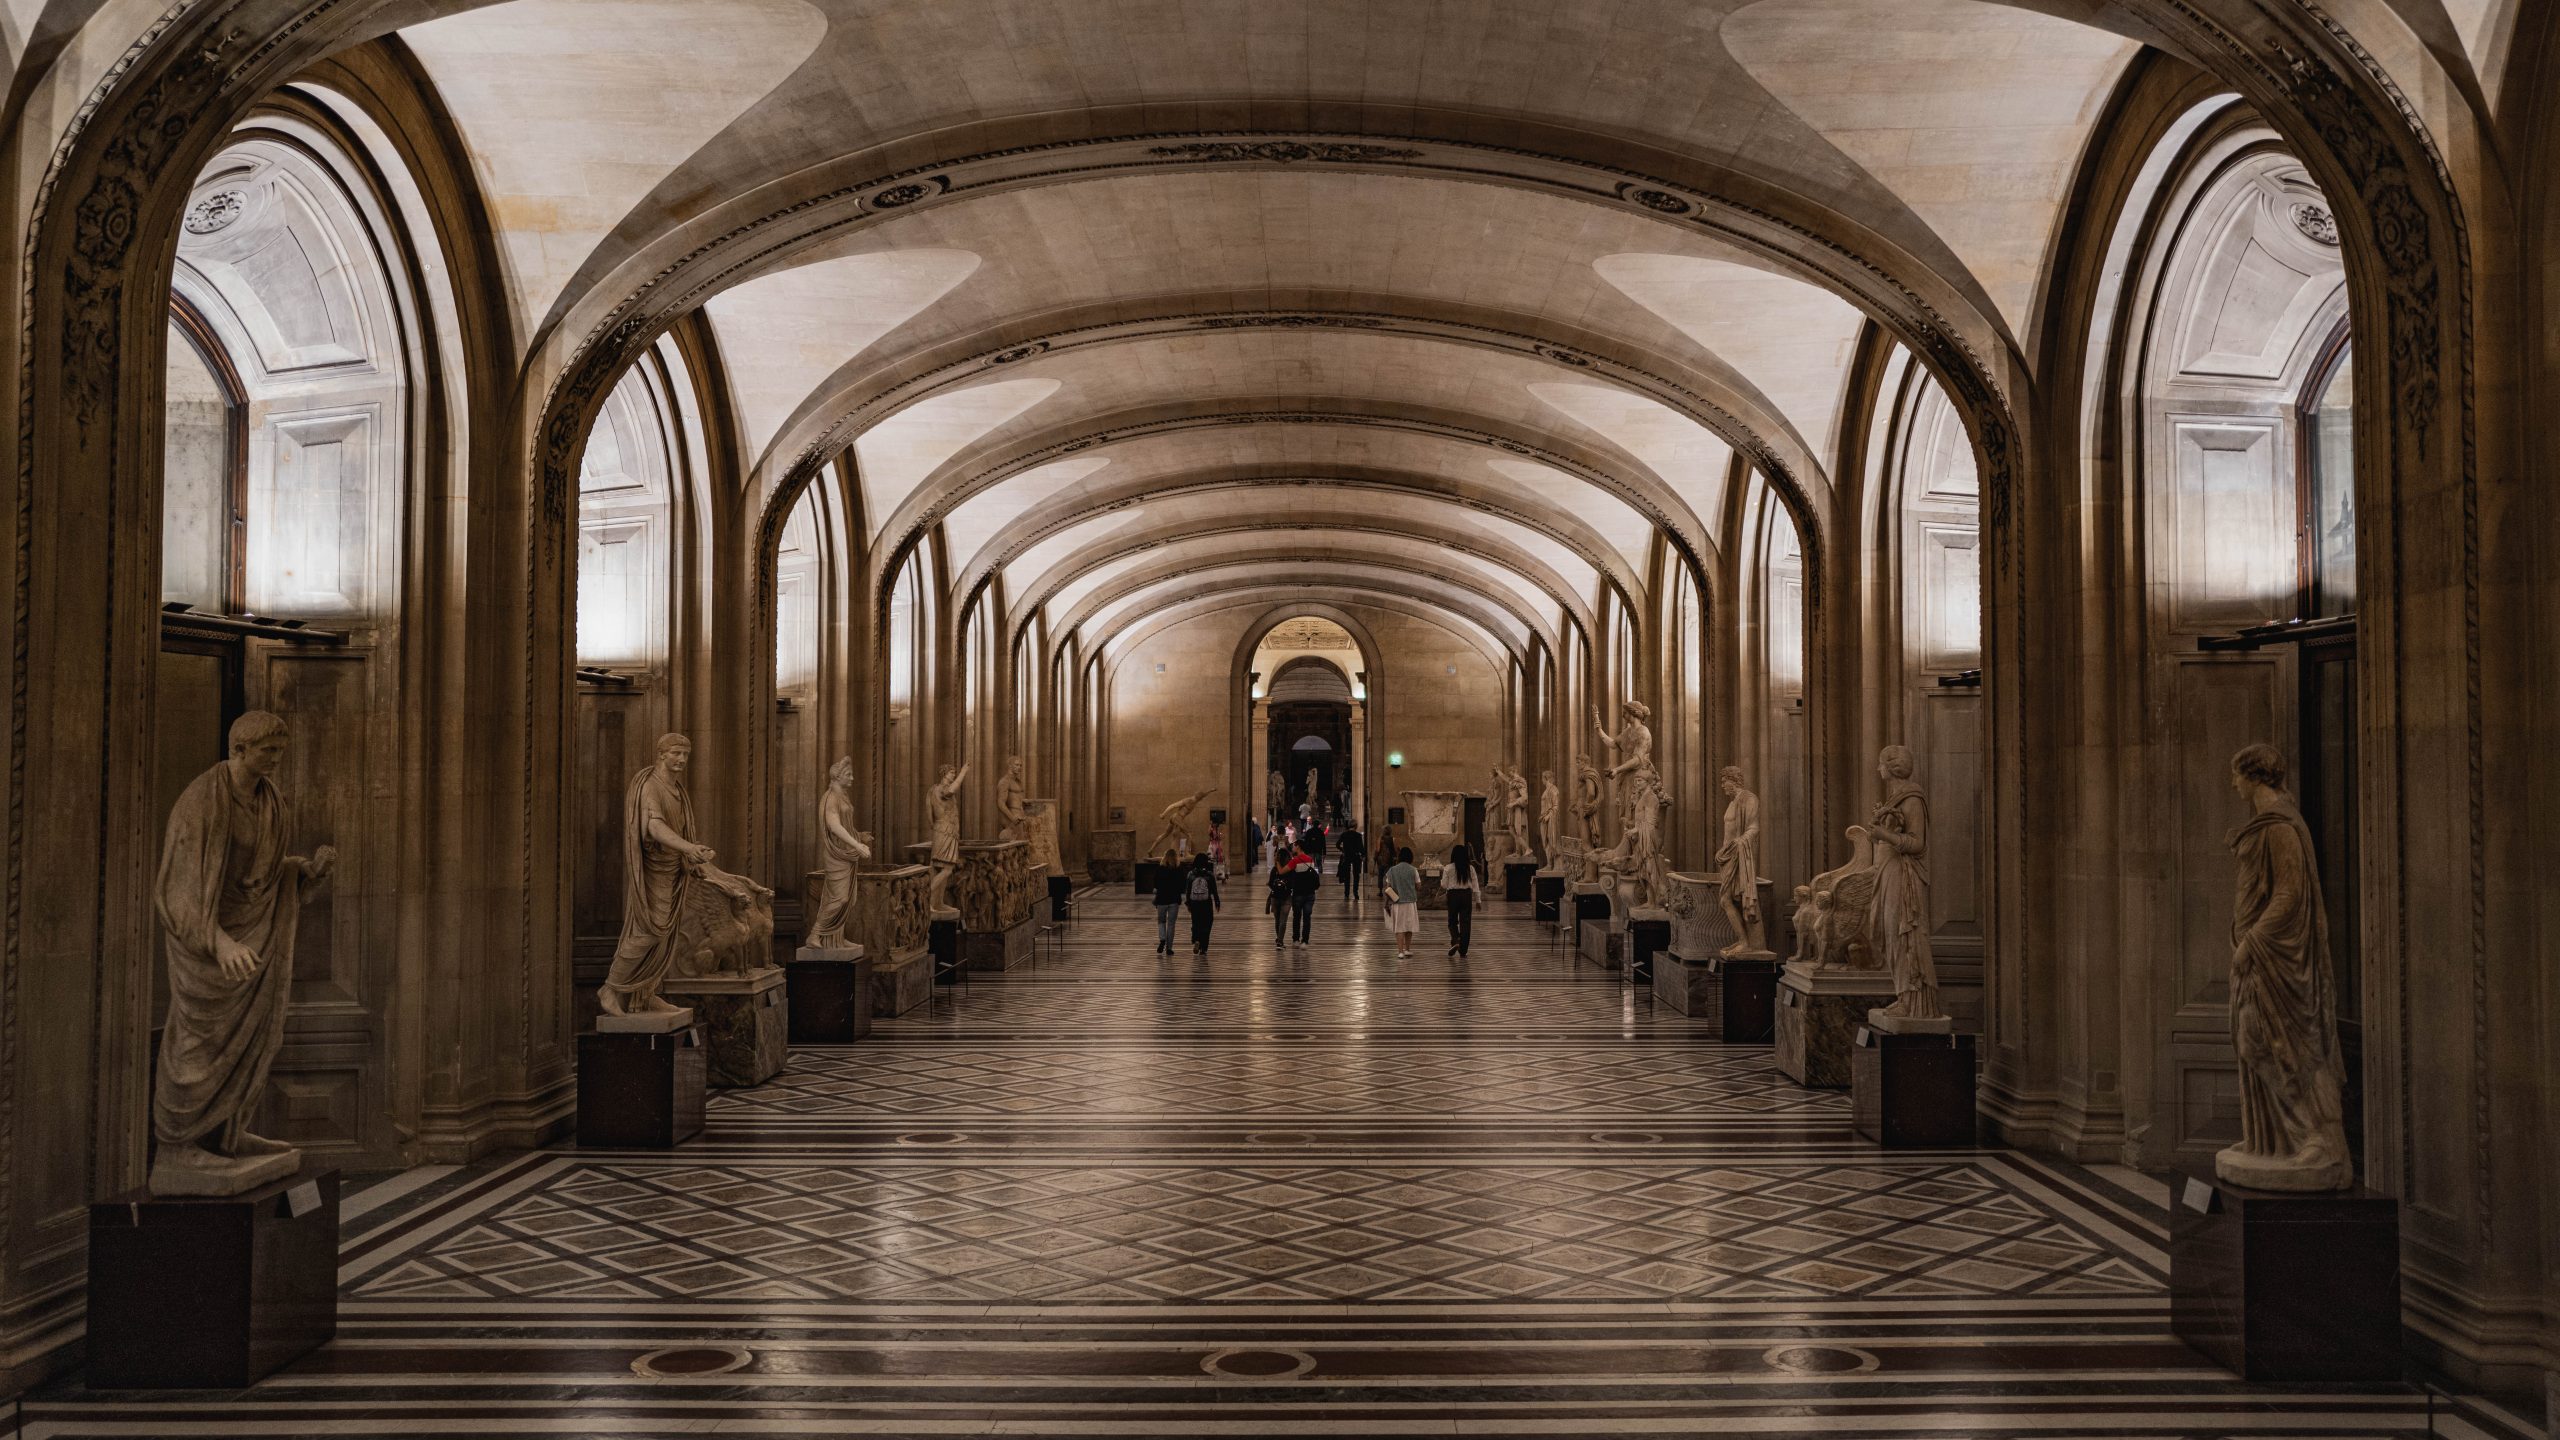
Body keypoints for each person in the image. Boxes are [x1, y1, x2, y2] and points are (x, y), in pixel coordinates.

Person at [1441, 841, 1481, 958]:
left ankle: (1456, 939)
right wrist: (1478, 900)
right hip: (1466, 896)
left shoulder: (1448, 868)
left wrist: (1442, 883)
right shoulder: (1470, 868)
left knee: (1452, 920)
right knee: (1465, 922)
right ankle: (1463, 950)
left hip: (1453, 895)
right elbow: (1475, 884)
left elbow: (1444, 885)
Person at [1382, 846, 1421, 958]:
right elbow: (1418, 886)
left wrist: (1387, 902)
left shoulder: (1392, 870)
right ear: (1410, 857)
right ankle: (1407, 949)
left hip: (1397, 902)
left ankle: (1400, 951)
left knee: (1399, 927)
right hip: (1410, 902)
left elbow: (1388, 887)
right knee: (1409, 926)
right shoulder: (1413, 870)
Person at [1151, 847, 1186, 955]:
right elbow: (1182, 886)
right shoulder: (1179, 869)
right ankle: (1169, 948)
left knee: (1161, 921)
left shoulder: (1160, 869)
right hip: (1174, 900)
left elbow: (1155, 885)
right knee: (1171, 924)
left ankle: (1162, 939)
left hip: (1161, 899)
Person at [1184, 852, 1222, 954]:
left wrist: (1188, 903)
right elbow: (1214, 890)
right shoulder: (1209, 875)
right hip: (1206, 903)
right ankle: (1204, 948)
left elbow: (1187, 890)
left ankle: (1196, 939)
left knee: (1196, 922)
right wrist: (1217, 903)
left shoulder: (1190, 874)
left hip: (1194, 902)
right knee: (1207, 923)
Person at [1287, 840, 1322, 946]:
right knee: (1307, 918)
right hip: (1310, 893)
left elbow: (1282, 871)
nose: (1292, 847)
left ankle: (1296, 940)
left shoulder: (1295, 861)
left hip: (1298, 893)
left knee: (1297, 917)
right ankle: (1305, 941)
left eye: (1294, 846)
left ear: (1298, 847)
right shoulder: (1310, 860)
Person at [1268, 849, 1293, 943]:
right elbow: (1292, 883)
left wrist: (1275, 887)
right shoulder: (1290, 869)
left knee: (1277, 920)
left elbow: (1270, 883)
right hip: (1286, 897)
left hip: (1275, 897)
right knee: (1283, 921)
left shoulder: (1274, 870)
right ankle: (1280, 941)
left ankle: (1279, 938)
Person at [1336, 820, 1365, 895]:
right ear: (1355, 826)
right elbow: (1361, 847)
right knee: (1356, 875)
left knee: (1347, 875)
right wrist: (1363, 855)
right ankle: (1355, 892)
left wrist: (1342, 850)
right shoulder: (1358, 835)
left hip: (1347, 856)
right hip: (1355, 856)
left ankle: (1346, 892)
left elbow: (1337, 844)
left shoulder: (1344, 834)